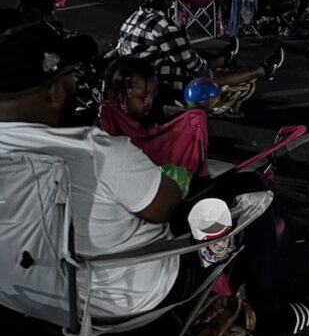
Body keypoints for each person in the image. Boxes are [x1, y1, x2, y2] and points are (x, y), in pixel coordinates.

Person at [0, 22, 185, 320]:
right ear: (54, 93)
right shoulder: (96, 152)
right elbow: (167, 205)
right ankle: (272, 315)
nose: (79, 83)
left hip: (23, 300)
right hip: (122, 302)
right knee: (239, 196)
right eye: (73, 76)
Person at [117, 0, 284, 102]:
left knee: (185, 55)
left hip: (132, 75)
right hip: (153, 80)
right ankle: (262, 71)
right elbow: (192, 64)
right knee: (209, 77)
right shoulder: (164, 26)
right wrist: (207, 67)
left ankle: (224, 59)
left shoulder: (133, 17)